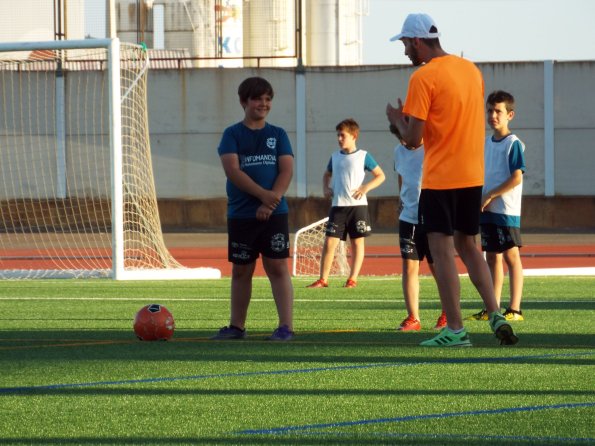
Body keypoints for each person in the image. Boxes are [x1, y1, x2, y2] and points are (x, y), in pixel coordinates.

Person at [385, 13, 518, 346]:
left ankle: (456, 329)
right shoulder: (470, 69)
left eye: (404, 44)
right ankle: (495, 312)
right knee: (469, 246)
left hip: (440, 177)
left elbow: (414, 140)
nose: (404, 52)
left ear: (417, 41)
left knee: (441, 250)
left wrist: (398, 121)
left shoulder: (423, 77)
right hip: (472, 175)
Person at [212, 76, 295, 341]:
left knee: (277, 267)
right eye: (258, 98)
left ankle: (285, 327)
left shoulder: (278, 134)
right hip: (242, 214)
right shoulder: (232, 134)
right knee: (241, 270)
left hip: (274, 214)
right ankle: (237, 327)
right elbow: (232, 170)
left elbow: (286, 169)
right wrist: (264, 197)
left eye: (268, 99)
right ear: (243, 101)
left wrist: (272, 202)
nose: (264, 103)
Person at [467, 90, 526, 321]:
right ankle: (493, 308)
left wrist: (490, 195)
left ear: (509, 115)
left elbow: (516, 177)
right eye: (490, 110)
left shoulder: (513, 144)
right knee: (491, 257)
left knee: (511, 257)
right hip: (487, 210)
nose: (493, 115)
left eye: (498, 111)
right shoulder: (485, 143)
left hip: (506, 210)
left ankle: (515, 309)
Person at [307, 118, 385, 289]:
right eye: (338, 136)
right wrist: (325, 188)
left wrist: (365, 187)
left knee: (357, 243)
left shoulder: (364, 156)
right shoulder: (334, 157)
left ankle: (352, 279)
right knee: (329, 243)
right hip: (338, 206)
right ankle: (323, 279)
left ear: (354, 136)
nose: (339, 139)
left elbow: (380, 175)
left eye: (342, 135)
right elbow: (326, 175)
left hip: (358, 207)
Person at [390, 123, 446, 331]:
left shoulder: (431, 147)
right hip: (408, 217)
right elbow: (401, 175)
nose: (404, 142)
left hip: (431, 217)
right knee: (409, 266)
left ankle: (447, 312)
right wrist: (400, 198)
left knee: (437, 266)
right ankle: (413, 317)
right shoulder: (399, 151)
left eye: (405, 136)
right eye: (399, 138)